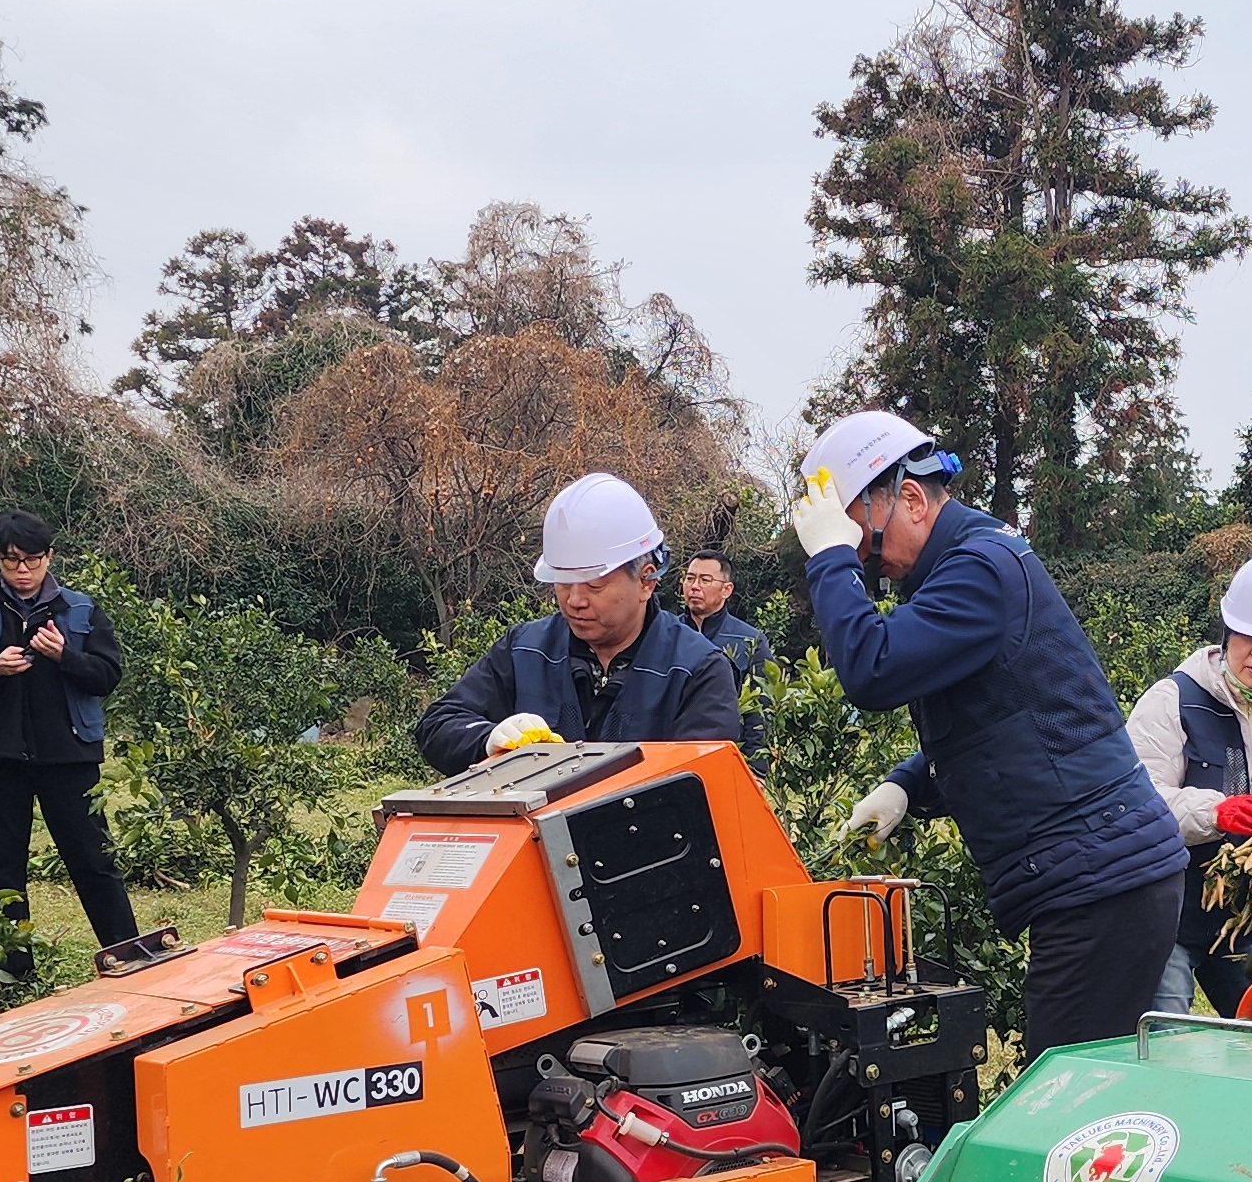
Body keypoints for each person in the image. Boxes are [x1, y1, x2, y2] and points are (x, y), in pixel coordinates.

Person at [788, 411, 1189, 1054]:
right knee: (1083, 1092)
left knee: (1061, 1109)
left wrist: (830, 560)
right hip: (1100, 877)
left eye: (867, 542)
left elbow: (871, 669)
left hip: (1100, 883)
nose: (870, 565)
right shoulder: (969, 564)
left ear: (912, 499)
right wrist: (907, 787)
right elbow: (1003, 721)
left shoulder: (978, 569)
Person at [415, 475, 742, 773]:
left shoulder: (696, 669)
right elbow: (438, 726)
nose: (574, 600)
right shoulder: (525, 650)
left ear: (646, 582)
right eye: (562, 582)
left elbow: (701, 782)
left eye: (593, 585)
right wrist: (488, 739)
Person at [1128, 550, 1252, 1020]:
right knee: (1167, 1047)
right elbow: (1135, 804)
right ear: (1226, 632)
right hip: (1167, 917)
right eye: (1247, 635)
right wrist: (1214, 813)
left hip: (1243, 924)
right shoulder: (1174, 699)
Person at [0, 508, 147, 984]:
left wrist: (64, 656)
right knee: (3, 871)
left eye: (32, 560)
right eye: (10, 561)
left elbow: (108, 676)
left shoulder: (80, 610)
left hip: (69, 756)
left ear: (49, 557)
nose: (22, 571)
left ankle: (133, 961)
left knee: (94, 862)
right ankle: (14, 976)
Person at [680, 548, 775, 759]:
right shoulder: (666, 636)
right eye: (690, 578)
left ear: (726, 590)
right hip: (672, 754)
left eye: (705, 580)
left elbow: (761, 711)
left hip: (728, 755)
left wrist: (757, 768)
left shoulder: (750, 641)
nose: (695, 586)